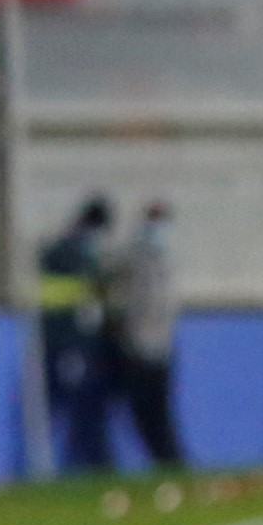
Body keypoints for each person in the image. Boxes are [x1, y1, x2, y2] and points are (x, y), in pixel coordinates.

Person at [36, 195, 115, 473]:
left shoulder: (72, 251)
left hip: (75, 343)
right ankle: (80, 463)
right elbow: (75, 300)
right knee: (71, 406)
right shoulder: (67, 254)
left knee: (79, 407)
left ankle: (87, 461)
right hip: (67, 343)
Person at [109, 198, 182, 466]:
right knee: (146, 415)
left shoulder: (163, 258)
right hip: (139, 346)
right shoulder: (135, 255)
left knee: (157, 414)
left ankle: (170, 462)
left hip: (157, 348)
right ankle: (166, 462)